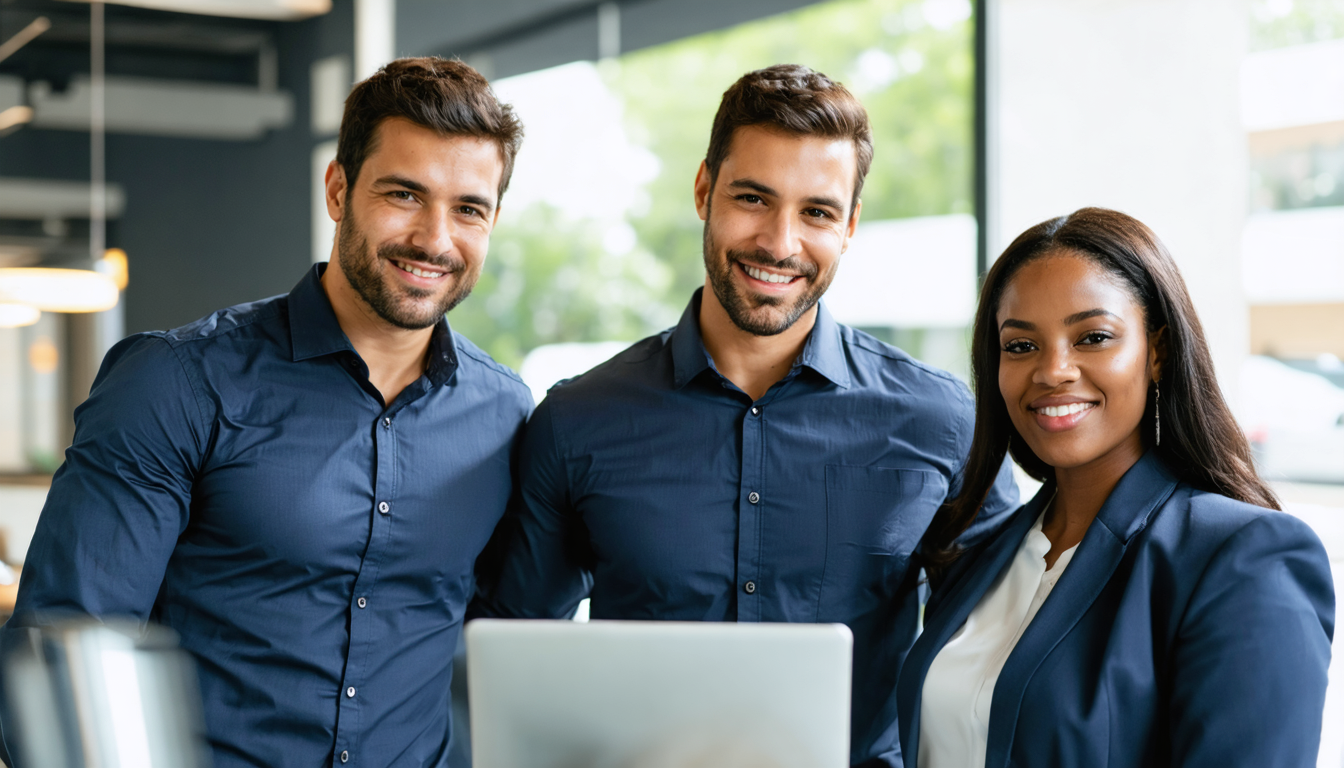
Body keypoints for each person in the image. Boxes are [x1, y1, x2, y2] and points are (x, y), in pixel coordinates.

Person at [473, 64, 1018, 768]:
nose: (780, 242)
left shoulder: (941, 424)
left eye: (817, 212)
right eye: (754, 198)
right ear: (704, 190)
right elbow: (515, 656)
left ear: (850, 225)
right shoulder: (576, 422)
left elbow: (1005, 653)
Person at [0, 58, 532, 768]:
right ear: (338, 190)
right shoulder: (176, 382)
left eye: (469, 208)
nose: (435, 239)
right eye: (404, 194)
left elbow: (502, 644)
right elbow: (62, 653)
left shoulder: (505, 414)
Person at [896, 207, 1335, 767]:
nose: (1053, 370)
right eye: (1021, 346)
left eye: (1093, 337)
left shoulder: (1243, 559)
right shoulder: (979, 558)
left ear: (1158, 352)